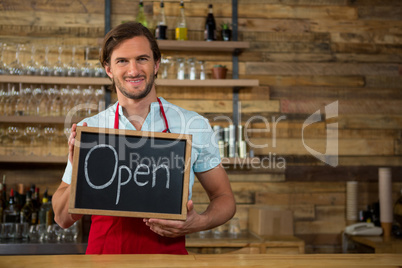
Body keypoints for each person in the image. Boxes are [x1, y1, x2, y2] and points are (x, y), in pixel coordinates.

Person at [52, 22, 236, 255]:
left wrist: (197, 222)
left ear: (156, 64)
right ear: (108, 69)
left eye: (142, 59)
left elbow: (225, 198)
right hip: (104, 260)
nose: (133, 70)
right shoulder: (92, 129)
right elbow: (62, 218)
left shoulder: (193, 124)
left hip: (169, 260)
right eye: (122, 61)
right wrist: (82, 171)